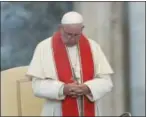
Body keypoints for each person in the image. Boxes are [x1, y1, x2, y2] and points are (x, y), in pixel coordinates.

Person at [26, 11, 114, 116]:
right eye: (68, 34)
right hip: (57, 111)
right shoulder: (44, 48)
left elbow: (106, 82)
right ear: (60, 28)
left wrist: (88, 87)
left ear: (82, 29)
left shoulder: (93, 47)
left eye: (76, 35)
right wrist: (62, 89)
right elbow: (37, 86)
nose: (72, 39)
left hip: (90, 110)